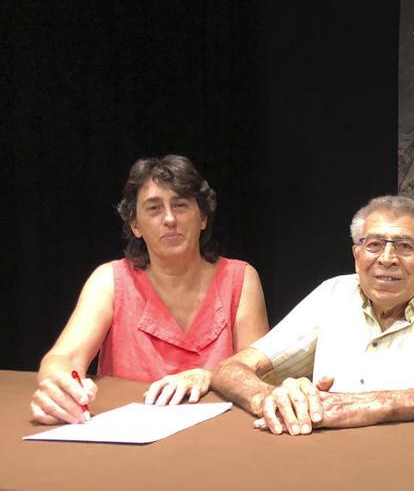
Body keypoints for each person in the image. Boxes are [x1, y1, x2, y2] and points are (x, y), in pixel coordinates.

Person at [213, 195, 414, 435]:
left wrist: (382, 404)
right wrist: (273, 398)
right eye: (374, 244)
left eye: (405, 246)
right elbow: (232, 370)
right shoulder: (333, 295)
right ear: (356, 256)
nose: (387, 258)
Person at [31, 155, 269, 425]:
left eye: (180, 205)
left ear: (202, 217)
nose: (169, 219)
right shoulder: (109, 281)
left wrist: (208, 376)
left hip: (221, 436)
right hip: (128, 440)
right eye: (154, 208)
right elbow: (64, 357)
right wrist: (59, 388)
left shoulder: (240, 279)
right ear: (135, 225)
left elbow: (257, 373)